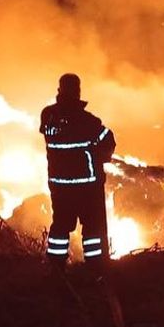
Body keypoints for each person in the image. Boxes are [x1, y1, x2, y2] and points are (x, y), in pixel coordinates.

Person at [40, 73, 116, 268]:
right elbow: (109, 139)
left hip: (59, 185)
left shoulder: (48, 116)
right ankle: (95, 267)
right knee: (91, 228)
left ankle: (56, 266)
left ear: (59, 90)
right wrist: (101, 157)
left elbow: (48, 131)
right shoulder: (88, 121)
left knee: (60, 226)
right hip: (87, 186)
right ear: (78, 92)